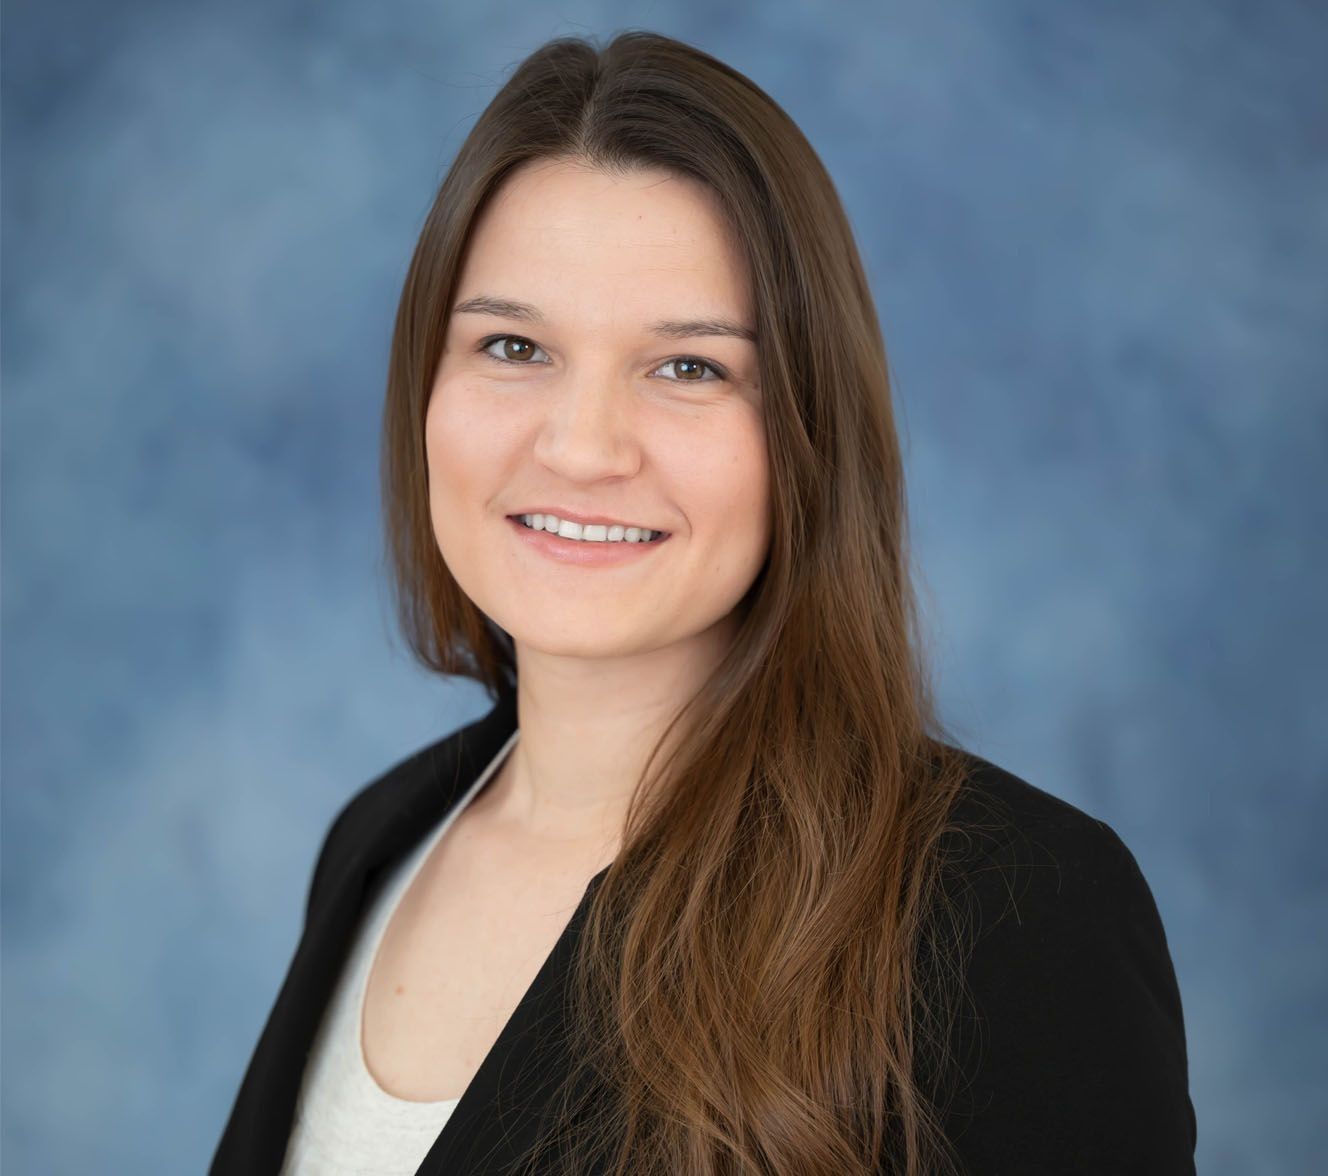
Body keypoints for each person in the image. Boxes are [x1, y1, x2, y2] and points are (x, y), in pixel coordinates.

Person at [210, 30, 1198, 1176]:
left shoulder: (1005, 913)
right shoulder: (377, 840)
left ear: (808, 434)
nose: (581, 448)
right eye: (513, 345)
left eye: (688, 367)